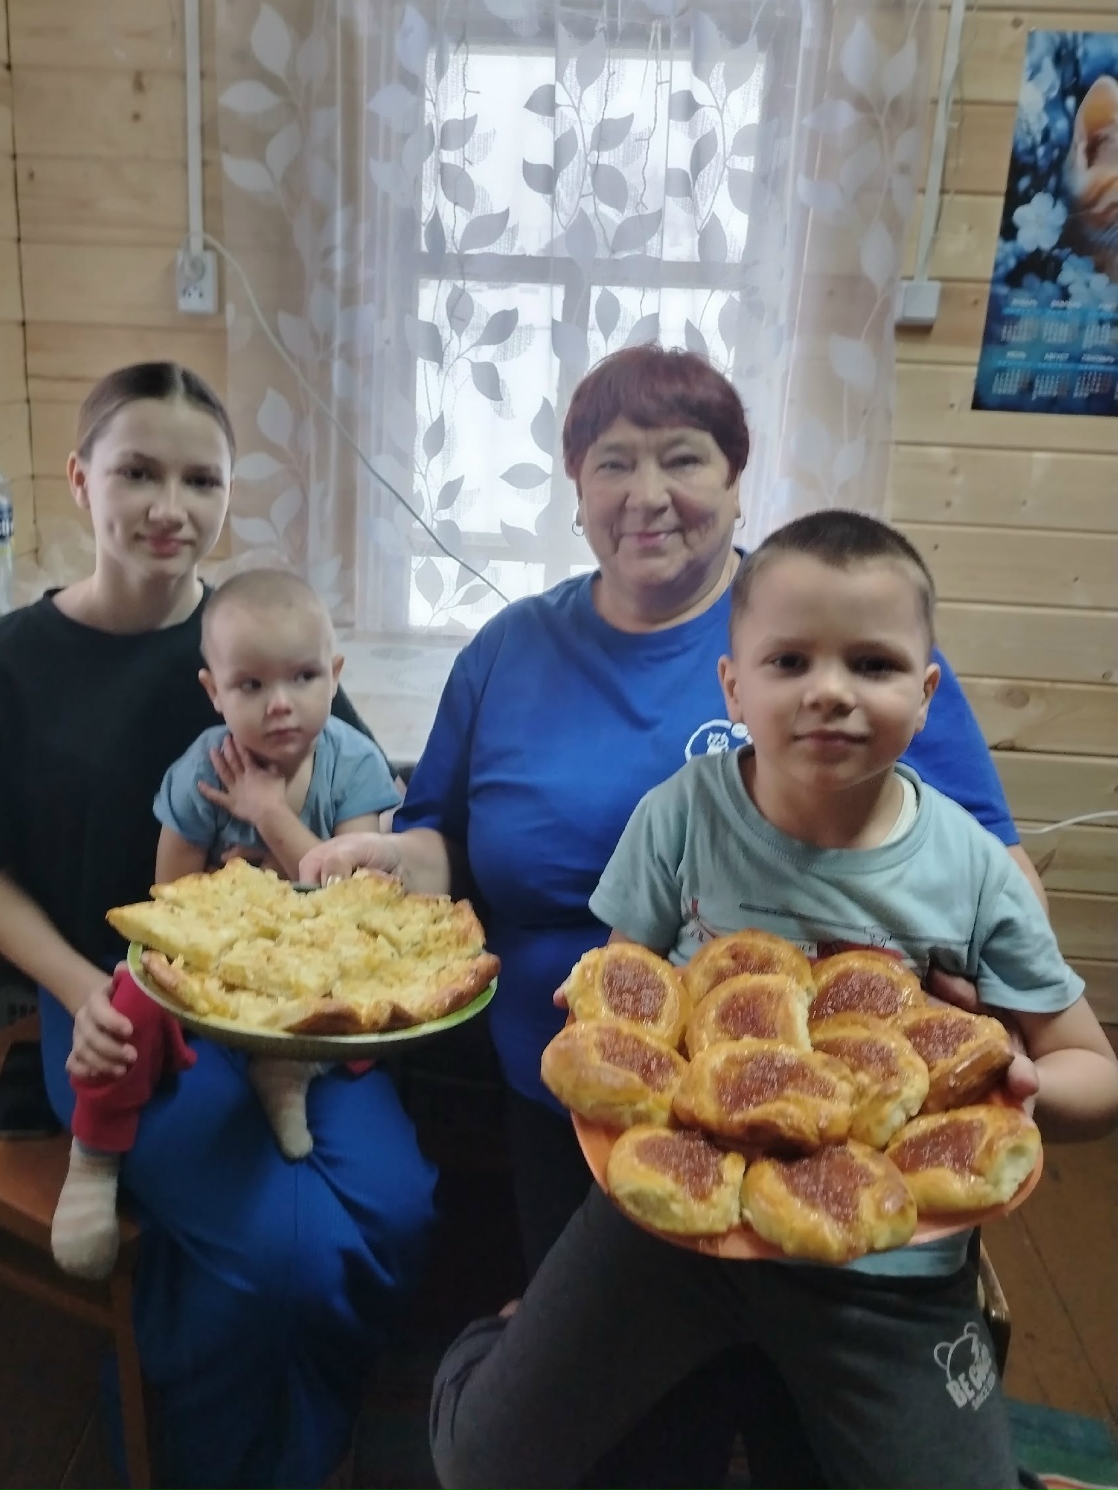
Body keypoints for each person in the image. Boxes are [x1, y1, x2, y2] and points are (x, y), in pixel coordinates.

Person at [301, 344, 1052, 1488]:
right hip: (572, 1106)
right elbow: (439, 831)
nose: (645, 492)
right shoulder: (508, 649)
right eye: (612, 461)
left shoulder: (811, 632)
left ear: (738, 478)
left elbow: (987, 865)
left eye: (682, 458)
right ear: (573, 486)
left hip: (839, 1107)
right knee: (640, 1439)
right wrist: (387, 860)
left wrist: (987, 1019)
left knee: (800, 1424)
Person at [428, 509, 1118, 1490]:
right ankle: (497, 1333)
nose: (828, 690)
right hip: (670, 1233)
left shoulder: (973, 872)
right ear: (733, 686)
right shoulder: (678, 816)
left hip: (884, 1259)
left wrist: (1024, 1086)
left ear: (926, 694)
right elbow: (625, 1011)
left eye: (872, 664)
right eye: (789, 661)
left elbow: (1094, 1070)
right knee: (481, 1462)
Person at [0, 363, 436, 1490]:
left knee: (398, 1207)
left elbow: (348, 816)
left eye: (201, 480)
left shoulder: (265, 639)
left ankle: (239, 1396)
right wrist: (81, 987)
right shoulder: (0, 669)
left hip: (282, 1001)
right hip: (116, 1003)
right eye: (138, 472)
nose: (169, 506)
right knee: (284, 1252)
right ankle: (219, 1453)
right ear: (79, 478)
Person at [50, 566, 402, 1281]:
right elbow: (169, 902)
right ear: (215, 691)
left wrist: (269, 816)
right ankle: (95, 1152)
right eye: (251, 685)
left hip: (318, 963)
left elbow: (355, 902)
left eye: (303, 677)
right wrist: (234, 902)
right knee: (131, 998)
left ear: (334, 675)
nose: (281, 704)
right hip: (216, 965)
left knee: (370, 1005)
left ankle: (289, 1072)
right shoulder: (203, 770)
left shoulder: (355, 764)